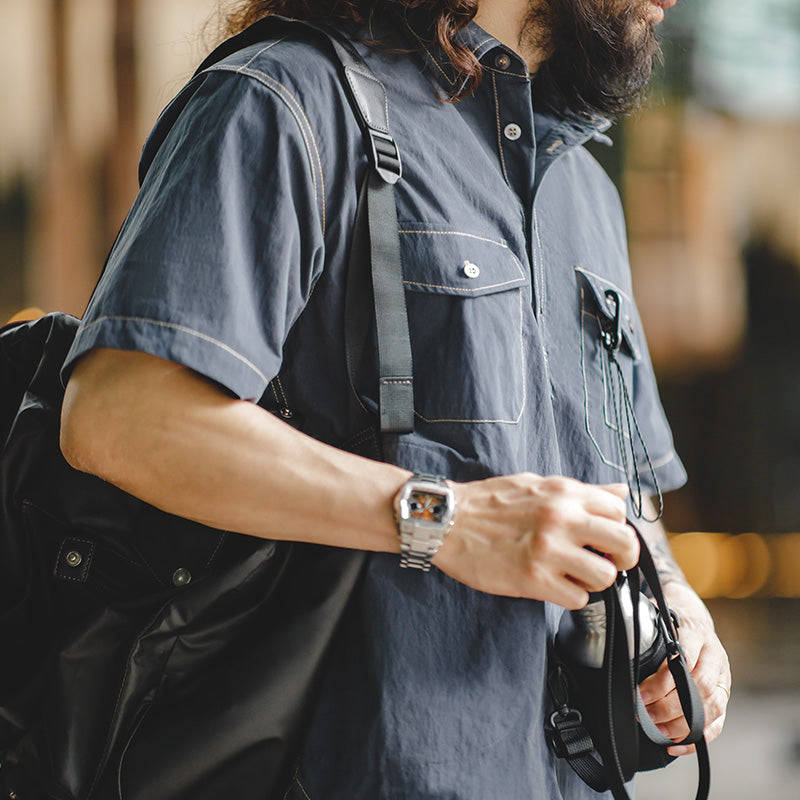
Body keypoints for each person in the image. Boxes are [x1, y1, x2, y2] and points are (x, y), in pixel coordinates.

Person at [59, 0, 731, 796]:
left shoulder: (584, 183)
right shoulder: (286, 98)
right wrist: (445, 519)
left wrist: (675, 601)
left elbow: (619, 489)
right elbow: (119, 417)